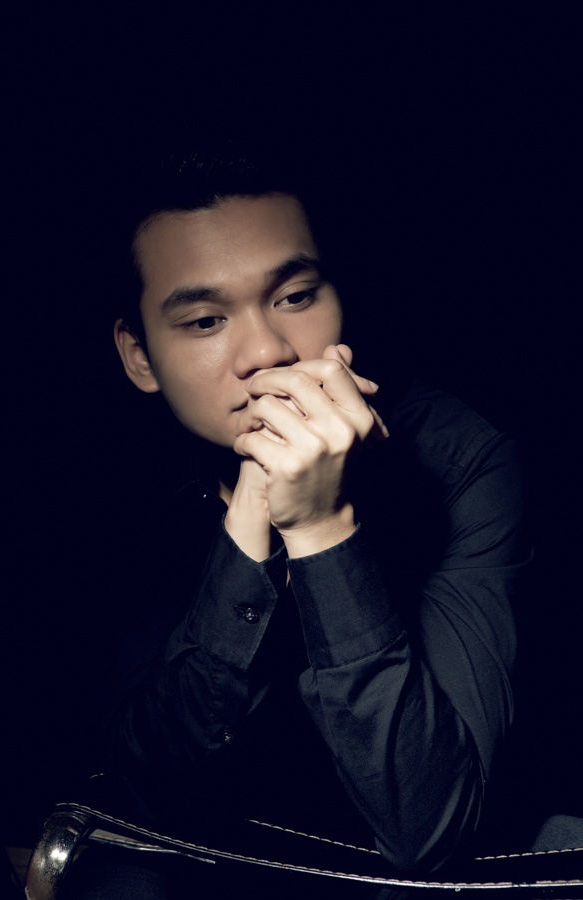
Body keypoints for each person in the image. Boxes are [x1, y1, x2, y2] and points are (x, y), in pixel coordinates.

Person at [70, 149, 530, 894]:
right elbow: (148, 794)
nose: (268, 352)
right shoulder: (116, 491)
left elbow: (430, 830)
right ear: (140, 357)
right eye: (206, 320)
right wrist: (254, 508)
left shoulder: (463, 461)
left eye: (295, 296)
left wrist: (320, 527)